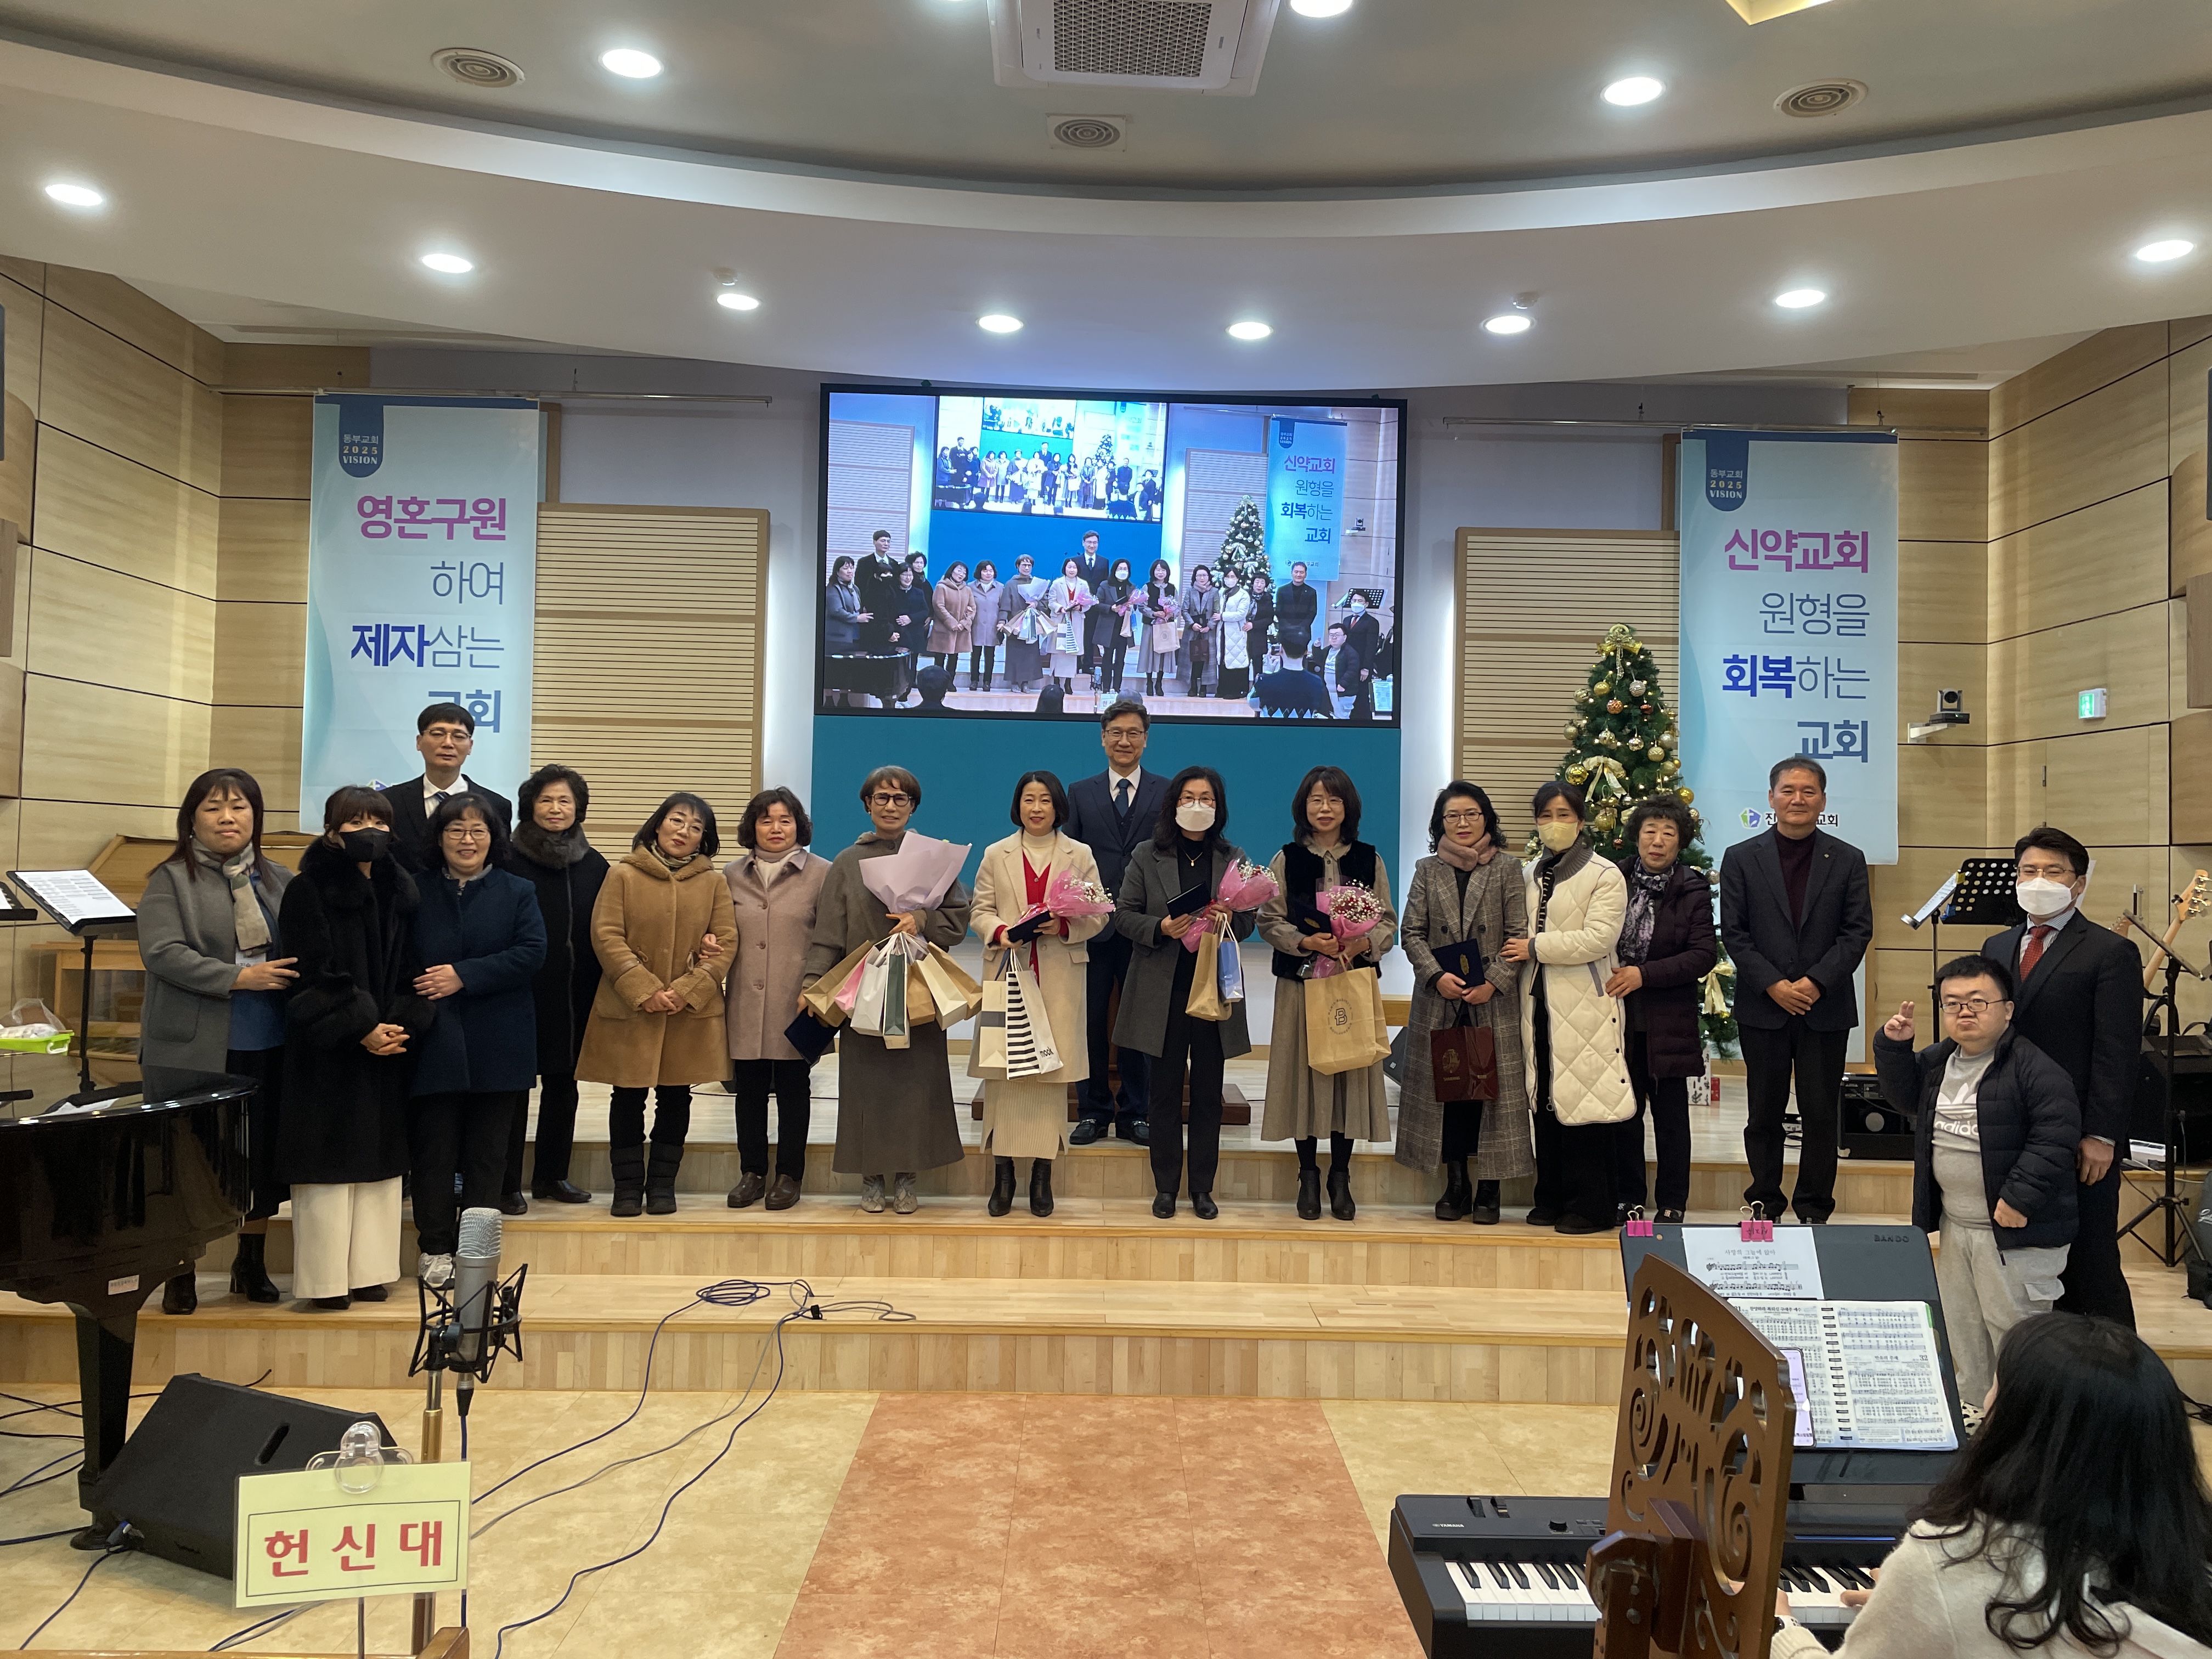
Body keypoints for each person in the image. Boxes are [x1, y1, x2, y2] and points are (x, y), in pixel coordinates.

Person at [1773, 1314, 2212, 1659]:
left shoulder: (1952, 1559)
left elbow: (1974, 1599)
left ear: (2019, 1429)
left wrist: (1782, 1628)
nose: (1983, 1404)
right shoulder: (2185, 1567)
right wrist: (1918, 1612)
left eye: (1996, 1389)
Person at [1872, 956, 2080, 1404]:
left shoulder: (2036, 1068)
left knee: (2016, 1336)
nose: (1964, 1012)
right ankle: (1973, 1419)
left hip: (2014, 1234)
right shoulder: (1941, 1060)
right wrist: (1894, 1048)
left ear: (2007, 1009)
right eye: (1952, 1004)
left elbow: (2056, 1137)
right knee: (1963, 1331)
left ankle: (2019, 1427)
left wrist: (2019, 1198)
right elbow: (1906, 1098)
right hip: (1957, 1226)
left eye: (1977, 1001)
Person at [139, 768, 297, 1312]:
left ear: (256, 817)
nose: (227, 818)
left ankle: (250, 1262)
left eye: (239, 807)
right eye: (213, 807)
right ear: (192, 819)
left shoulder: (279, 879)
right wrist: (238, 977)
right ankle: (181, 1270)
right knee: (189, 1161)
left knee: (259, 1159)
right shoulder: (170, 879)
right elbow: (161, 952)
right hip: (192, 1047)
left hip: (269, 1040)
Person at [1981, 827, 2143, 1328]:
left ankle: (2116, 1368)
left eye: (2053, 872)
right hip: (2011, 1126)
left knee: (2091, 1263)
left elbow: (2117, 1053)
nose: (2039, 880)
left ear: (2079, 884)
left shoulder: (2110, 951)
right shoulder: (1997, 945)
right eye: (2028, 871)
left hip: (2078, 1135)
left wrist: (2102, 1135)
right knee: (2021, 1263)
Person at [278, 786, 431, 1310]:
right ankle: (324, 1281)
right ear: (332, 831)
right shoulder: (306, 889)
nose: (371, 831)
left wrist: (400, 1024)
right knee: (329, 1165)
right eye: (357, 821)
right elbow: (309, 972)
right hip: (328, 1049)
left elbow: (414, 967)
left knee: (380, 1165)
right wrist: (360, 1026)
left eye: (380, 822)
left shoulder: (401, 889)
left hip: (388, 1045)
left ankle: (370, 1271)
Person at [803, 766, 973, 1214]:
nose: (891, 806)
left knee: (917, 1084)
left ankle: (909, 1178)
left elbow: (958, 921)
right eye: (882, 797)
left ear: (913, 807)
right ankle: (872, 1178)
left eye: (901, 799)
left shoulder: (933, 858)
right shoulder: (846, 863)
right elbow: (827, 934)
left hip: (918, 989)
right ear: (867, 805)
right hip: (863, 993)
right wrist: (811, 983)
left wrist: (924, 920)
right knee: (867, 1086)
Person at [1719, 756, 1874, 1224]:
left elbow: (1857, 932)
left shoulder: (1848, 858)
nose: (1798, 799)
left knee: (1821, 1114)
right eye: (1788, 790)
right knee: (1763, 1113)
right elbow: (1735, 933)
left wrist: (1814, 982)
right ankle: (1764, 1200)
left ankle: (1813, 1208)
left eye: (1809, 791)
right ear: (1772, 798)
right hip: (1763, 1007)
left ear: (1823, 800)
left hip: (1824, 1007)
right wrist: (1773, 984)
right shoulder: (1741, 857)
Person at [576, 793, 737, 1217]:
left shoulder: (713, 882)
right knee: (627, 1097)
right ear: (658, 824)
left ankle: (663, 1186)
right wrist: (643, 988)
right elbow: (606, 934)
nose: (684, 831)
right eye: (677, 820)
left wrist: (688, 989)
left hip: (687, 1012)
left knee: (677, 1098)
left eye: (696, 827)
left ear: (704, 839)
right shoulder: (622, 874)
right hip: (630, 1007)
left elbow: (726, 942)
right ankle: (627, 1188)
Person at [407, 794, 546, 1281]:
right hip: (433, 1037)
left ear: (493, 838)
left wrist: (463, 975)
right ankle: (435, 1247)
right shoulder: (416, 890)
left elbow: (532, 952)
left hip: (500, 1038)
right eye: (456, 830)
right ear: (439, 837)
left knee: (488, 1155)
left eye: (478, 831)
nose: (467, 840)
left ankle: (476, 1254)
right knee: (434, 1151)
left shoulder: (518, 890)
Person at [1114, 766, 1257, 1219]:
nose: (1198, 806)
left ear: (1219, 807)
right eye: (1189, 798)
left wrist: (1229, 919)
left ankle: (1202, 1188)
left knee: (1209, 1093)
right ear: (1174, 804)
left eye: (1207, 799)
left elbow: (1250, 920)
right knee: (1163, 1092)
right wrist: (1160, 927)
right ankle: (1165, 1186)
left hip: (1214, 988)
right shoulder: (1147, 854)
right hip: (1165, 989)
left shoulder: (1233, 857)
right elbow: (1123, 914)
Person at [1258, 766, 1397, 1222]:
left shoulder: (1370, 859)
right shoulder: (1286, 859)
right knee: (1305, 1075)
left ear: (1347, 807)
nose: (1325, 808)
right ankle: (1308, 1174)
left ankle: (1341, 1175)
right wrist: (1306, 941)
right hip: (1301, 985)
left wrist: (1363, 943)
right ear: (1304, 807)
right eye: (1316, 800)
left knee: (1348, 1075)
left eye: (1334, 800)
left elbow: (1387, 921)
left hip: (1351, 982)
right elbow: (1268, 919)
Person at [969, 771, 1107, 1217]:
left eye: (1045, 800)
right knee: (1005, 1078)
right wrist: (1000, 931)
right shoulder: (996, 854)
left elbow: (1099, 915)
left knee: (1050, 1079)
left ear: (1057, 807)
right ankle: (1004, 1176)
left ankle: (1042, 1178)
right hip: (1007, 974)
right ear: (1018, 805)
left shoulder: (1079, 855)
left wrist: (1064, 925)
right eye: (1028, 799)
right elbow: (980, 910)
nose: (1036, 808)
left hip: (1058, 980)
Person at [1395, 782, 1531, 1227]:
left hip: (1491, 1000)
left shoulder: (1508, 868)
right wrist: (1437, 975)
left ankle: (1490, 1188)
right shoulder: (1427, 869)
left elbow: (1518, 934)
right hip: (1441, 997)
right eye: (1452, 816)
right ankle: (1456, 1183)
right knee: (1449, 1093)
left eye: (1472, 814)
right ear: (1440, 824)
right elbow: (1411, 932)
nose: (1463, 823)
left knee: (1491, 1096)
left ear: (1487, 818)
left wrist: (1494, 982)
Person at [1499, 781, 1634, 1235]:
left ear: (1580, 821)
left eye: (1563, 815)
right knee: (1546, 1097)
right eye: (1546, 816)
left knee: (1586, 1099)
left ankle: (1592, 1205)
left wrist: (1535, 947)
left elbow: (1599, 939)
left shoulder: (1604, 874)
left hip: (1585, 1002)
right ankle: (1551, 1196)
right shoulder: (1529, 873)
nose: (1554, 824)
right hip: (1537, 1001)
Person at [1607, 795, 1717, 1224]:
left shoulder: (1692, 888)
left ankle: (1673, 1201)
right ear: (1636, 837)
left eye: (1668, 833)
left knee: (1671, 1119)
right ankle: (1628, 1197)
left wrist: (1644, 974)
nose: (1657, 841)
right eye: (1649, 831)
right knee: (1624, 1115)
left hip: (1669, 1019)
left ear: (1680, 842)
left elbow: (1702, 955)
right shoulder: (1613, 879)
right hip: (1615, 1017)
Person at [501, 763, 607, 1205]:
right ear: (530, 806)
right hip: (518, 993)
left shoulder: (594, 864)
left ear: (579, 808)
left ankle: (551, 1177)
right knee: (512, 1092)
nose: (556, 808)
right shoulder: (507, 859)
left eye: (565, 800)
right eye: (546, 800)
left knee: (564, 1088)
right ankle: (506, 1184)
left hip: (575, 995)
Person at [1065, 700, 1167, 1146]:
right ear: (1103, 738)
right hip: (1093, 929)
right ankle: (1092, 1111)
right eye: (1116, 733)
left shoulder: (1167, 792)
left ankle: (1136, 1112)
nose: (1125, 741)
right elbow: (1069, 857)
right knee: (1089, 1022)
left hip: (1145, 927)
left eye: (1134, 733)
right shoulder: (1079, 792)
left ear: (1146, 739)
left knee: (1138, 1023)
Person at [723, 787, 827, 1210]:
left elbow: (830, 938)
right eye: (766, 820)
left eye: (786, 820)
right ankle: (752, 1173)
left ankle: (789, 1175)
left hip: (798, 999)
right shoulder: (731, 875)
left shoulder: (822, 873)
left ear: (800, 826)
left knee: (793, 1087)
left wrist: (816, 985)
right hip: (745, 998)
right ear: (753, 827)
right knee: (747, 1088)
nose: (776, 828)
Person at [380, 702, 513, 870]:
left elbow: (500, 863)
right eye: (438, 734)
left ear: (470, 746)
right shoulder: (389, 802)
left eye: (459, 736)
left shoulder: (497, 805)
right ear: (419, 742)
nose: (448, 743)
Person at [822, 556, 871, 708]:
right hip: (836, 637)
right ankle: (829, 700)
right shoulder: (832, 589)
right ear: (837, 571)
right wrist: (857, 618)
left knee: (847, 668)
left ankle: (844, 698)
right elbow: (836, 610)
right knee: (831, 669)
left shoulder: (854, 588)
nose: (850, 571)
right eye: (846, 568)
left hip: (853, 636)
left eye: (852, 567)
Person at [1001, 554, 1049, 693]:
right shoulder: (1011, 584)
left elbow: (1045, 603)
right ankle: (1015, 682)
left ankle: (1026, 683)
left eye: (1029, 565)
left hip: (1031, 623)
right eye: (1024, 565)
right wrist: (1002, 620)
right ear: (1018, 566)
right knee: (1015, 653)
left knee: (1030, 654)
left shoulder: (1037, 583)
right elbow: (1005, 604)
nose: (1027, 568)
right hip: (1015, 623)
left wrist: (1036, 603)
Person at [1046, 556, 1092, 695]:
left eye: (1074, 567)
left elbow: (1088, 602)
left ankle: (1068, 683)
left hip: (1075, 621)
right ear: (1065, 568)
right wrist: (1060, 608)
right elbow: (1051, 601)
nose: (1072, 570)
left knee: (1072, 653)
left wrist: (1081, 607)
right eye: (1069, 567)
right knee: (1058, 652)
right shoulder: (1057, 583)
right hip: (1060, 621)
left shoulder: (1083, 584)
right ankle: (1056, 682)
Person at [1136, 559, 1180, 697]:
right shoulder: (1147, 587)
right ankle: (1149, 682)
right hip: (1151, 625)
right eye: (1158, 570)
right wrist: (1154, 614)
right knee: (1149, 653)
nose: (1160, 573)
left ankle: (1159, 683)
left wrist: (1170, 613)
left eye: (1163, 570)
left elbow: (1178, 606)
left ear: (1167, 572)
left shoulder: (1172, 588)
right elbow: (1141, 606)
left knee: (1164, 654)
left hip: (1166, 626)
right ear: (1153, 572)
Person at [1094, 557, 1137, 695]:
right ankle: (1106, 686)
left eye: (1125, 569)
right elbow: (1097, 604)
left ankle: (1117, 687)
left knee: (1120, 659)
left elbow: (1135, 606)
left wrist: (1132, 606)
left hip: (1123, 628)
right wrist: (1111, 608)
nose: (1122, 571)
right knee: (1107, 657)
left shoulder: (1131, 587)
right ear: (1114, 570)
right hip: (1108, 627)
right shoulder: (1105, 585)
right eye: (1120, 569)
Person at [1250, 652, 1334, 719]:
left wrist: (1268, 672)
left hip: (1271, 733)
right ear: (1306, 651)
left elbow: (1253, 703)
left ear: (1281, 650)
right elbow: (1324, 711)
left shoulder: (1266, 680)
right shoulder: (1317, 682)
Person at [1216, 567, 1255, 700]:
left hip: (1236, 631)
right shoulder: (1221, 592)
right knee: (1223, 659)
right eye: (1227, 577)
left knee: (1236, 659)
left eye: (1233, 577)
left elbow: (1241, 614)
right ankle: (1223, 689)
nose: (1230, 579)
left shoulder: (1243, 595)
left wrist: (1222, 616)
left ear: (1238, 579)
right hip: (1222, 630)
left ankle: (1237, 691)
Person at [966, 560, 1005, 692]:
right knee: (975, 655)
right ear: (979, 572)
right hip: (976, 625)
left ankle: (987, 682)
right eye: (985, 571)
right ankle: (974, 680)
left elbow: (1003, 607)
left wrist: (1002, 621)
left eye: (991, 571)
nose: (988, 573)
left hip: (993, 626)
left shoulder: (1000, 587)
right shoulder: (970, 587)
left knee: (990, 655)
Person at [881, 565, 926, 679]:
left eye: (910, 575)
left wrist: (911, 618)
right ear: (899, 576)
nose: (908, 578)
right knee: (895, 664)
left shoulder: (919, 592)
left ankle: (911, 682)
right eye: (905, 575)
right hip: (896, 632)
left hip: (914, 633)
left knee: (912, 662)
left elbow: (925, 611)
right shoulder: (892, 592)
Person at [1182, 564, 1220, 697]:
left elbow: (1217, 611)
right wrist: (1192, 624)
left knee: (1206, 659)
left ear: (1209, 577)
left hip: (1208, 631)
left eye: (1205, 575)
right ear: (1195, 577)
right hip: (1193, 630)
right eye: (1199, 575)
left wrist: (1209, 626)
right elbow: (1184, 610)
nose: (1202, 578)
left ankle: (1204, 687)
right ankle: (1193, 686)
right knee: (1193, 659)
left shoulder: (1215, 591)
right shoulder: (1190, 591)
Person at [1274, 562, 1318, 661]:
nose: (1299, 575)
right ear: (1292, 573)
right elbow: (1279, 612)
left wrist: (1300, 629)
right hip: (1285, 633)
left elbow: (1312, 613)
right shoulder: (1282, 590)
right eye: (1296, 572)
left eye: (1302, 572)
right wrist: (1289, 628)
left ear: (1306, 574)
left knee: (1302, 663)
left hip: (1303, 634)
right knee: (1285, 662)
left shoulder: (1311, 592)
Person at [1319, 624, 1364, 721]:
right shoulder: (1328, 650)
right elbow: (1319, 660)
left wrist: (1343, 684)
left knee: (1342, 716)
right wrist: (1316, 648)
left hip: (1343, 692)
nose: (1334, 638)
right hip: (1329, 690)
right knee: (1332, 714)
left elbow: (1352, 670)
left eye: (1337, 635)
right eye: (1331, 635)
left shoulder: (1350, 652)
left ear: (1345, 637)